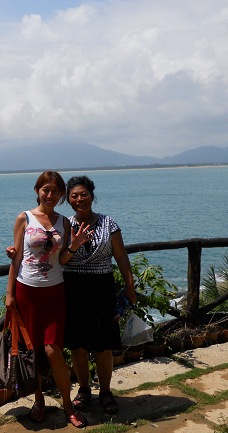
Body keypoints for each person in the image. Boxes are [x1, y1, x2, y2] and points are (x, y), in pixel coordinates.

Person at [7, 175, 136, 415]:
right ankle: (84, 390)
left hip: (101, 288)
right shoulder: (67, 224)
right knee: (77, 346)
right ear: (68, 199)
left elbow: (120, 256)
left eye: (83, 194)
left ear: (92, 195)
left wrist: (130, 286)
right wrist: (15, 250)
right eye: (74, 196)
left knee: (103, 345)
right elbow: (47, 250)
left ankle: (105, 391)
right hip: (72, 288)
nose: (79, 199)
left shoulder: (107, 223)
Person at [6, 171, 93, 428]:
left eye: (55, 191)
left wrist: (74, 246)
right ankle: (39, 401)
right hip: (27, 292)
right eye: (46, 189)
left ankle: (68, 405)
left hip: (55, 291)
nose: (50, 194)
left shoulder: (64, 222)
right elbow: (16, 258)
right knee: (33, 351)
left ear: (61, 194)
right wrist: (10, 294)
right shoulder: (24, 218)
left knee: (53, 351)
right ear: (37, 191)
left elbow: (62, 259)